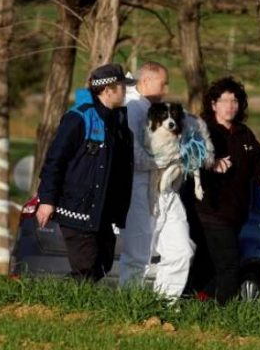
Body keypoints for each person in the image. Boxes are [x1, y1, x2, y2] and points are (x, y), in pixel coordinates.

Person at [35, 63, 135, 281]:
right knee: (86, 268)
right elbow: (54, 161)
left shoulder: (118, 121)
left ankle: (65, 303)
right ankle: (63, 309)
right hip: (77, 207)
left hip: (103, 211)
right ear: (108, 90)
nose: (126, 92)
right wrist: (47, 199)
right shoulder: (78, 118)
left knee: (102, 264)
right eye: (122, 87)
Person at [185, 77, 260, 304]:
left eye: (235, 100)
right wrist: (212, 163)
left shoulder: (244, 134)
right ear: (214, 104)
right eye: (225, 100)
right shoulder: (202, 130)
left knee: (206, 266)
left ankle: (196, 303)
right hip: (208, 211)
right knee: (229, 265)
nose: (230, 105)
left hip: (234, 214)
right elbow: (188, 159)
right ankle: (221, 312)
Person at [117, 61, 169, 287]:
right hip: (134, 186)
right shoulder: (132, 109)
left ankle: (135, 299)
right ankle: (127, 304)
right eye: (163, 84)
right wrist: (167, 159)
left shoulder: (147, 108)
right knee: (137, 251)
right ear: (146, 81)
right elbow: (135, 157)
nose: (166, 89)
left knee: (147, 250)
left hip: (150, 187)